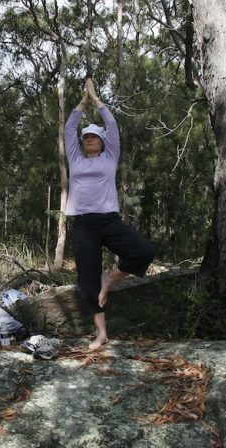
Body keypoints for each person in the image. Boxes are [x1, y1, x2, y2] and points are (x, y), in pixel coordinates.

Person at [65, 78, 155, 350]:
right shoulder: (75, 158)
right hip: (82, 224)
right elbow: (70, 128)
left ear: (102, 142)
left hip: (108, 220)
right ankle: (101, 333)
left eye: (94, 136)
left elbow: (113, 125)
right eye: (86, 136)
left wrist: (96, 98)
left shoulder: (110, 157)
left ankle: (111, 279)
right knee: (86, 282)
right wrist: (83, 101)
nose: (89, 138)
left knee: (143, 251)